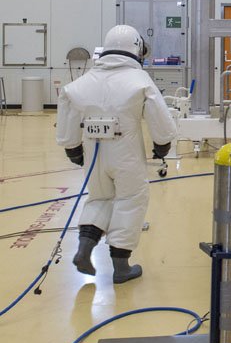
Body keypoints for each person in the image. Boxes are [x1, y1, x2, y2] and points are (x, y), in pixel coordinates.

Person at [56, 25, 177, 283]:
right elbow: (160, 118)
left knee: (99, 198)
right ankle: (121, 267)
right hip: (126, 154)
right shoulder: (140, 80)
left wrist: (72, 148)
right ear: (136, 48)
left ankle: (84, 249)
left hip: (93, 153)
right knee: (130, 200)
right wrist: (162, 145)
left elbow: (67, 103)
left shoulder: (84, 82)